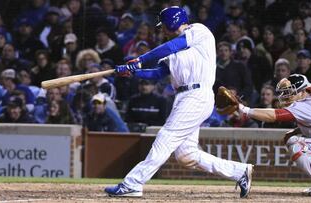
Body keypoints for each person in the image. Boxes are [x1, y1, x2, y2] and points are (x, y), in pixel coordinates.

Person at [105, 6, 253, 198]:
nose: (162, 29)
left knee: (165, 137)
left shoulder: (198, 31)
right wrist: (132, 72)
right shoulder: (173, 49)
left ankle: (133, 183)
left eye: (164, 25)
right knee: (187, 155)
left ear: (173, 21)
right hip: (184, 97)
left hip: (197, 95)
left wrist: (139, 60)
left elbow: (172, 46)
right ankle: (239, 172)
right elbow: (158, 73)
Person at [235, 74, 311, 196]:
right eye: (285, 92)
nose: (286, 96)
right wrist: (296, 130)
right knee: (303, 140)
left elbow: (273, 116)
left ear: (303, 91)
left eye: (290, 92)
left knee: (297, 144)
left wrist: (243, 109)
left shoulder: (304, 104)